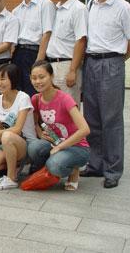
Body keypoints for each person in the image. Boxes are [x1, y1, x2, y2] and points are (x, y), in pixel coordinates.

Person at [81, 0, 130, 189]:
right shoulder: (90, 5)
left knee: (111, 120)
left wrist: (117, 61)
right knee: (92, 118)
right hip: (91, 63)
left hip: (112, 63)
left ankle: (113, 169)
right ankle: (95, 163)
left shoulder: (123, 8)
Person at [28, 61, 90, 191]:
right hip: (54, 142)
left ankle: (74, 169)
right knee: (33, 148)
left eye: (42, 77)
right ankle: (51, 167)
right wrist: (40, 133)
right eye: (34, 78)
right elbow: (35, 122)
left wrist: (60, 147)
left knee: (55, 165)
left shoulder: (65, 99)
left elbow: (85, 129)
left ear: (51, 76)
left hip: (77, 146)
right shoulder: (36, 99)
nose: (38, 81)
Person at [0, 63, 36, 190]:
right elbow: (2, 127)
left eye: (3, 79)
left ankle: (11, 178)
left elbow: (17, 129)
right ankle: (16, 165)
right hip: (7, 142)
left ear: (13, 79)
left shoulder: (23, 98)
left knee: (7, 136)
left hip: (26, 144)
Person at [46, 0, 88, 105]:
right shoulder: (56, 8)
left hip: (66, 66)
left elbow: (81, 40)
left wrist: (72, 71)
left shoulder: (78, 9)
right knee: (53, 109)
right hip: (51, 66)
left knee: (68, 108)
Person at [12, 0, 55, 95]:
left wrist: (39, 62)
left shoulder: (45, 4)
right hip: (18, 54)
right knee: (18, 93)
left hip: (35, 53)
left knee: (35, 93)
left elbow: (47, 33)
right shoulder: (16, 10)